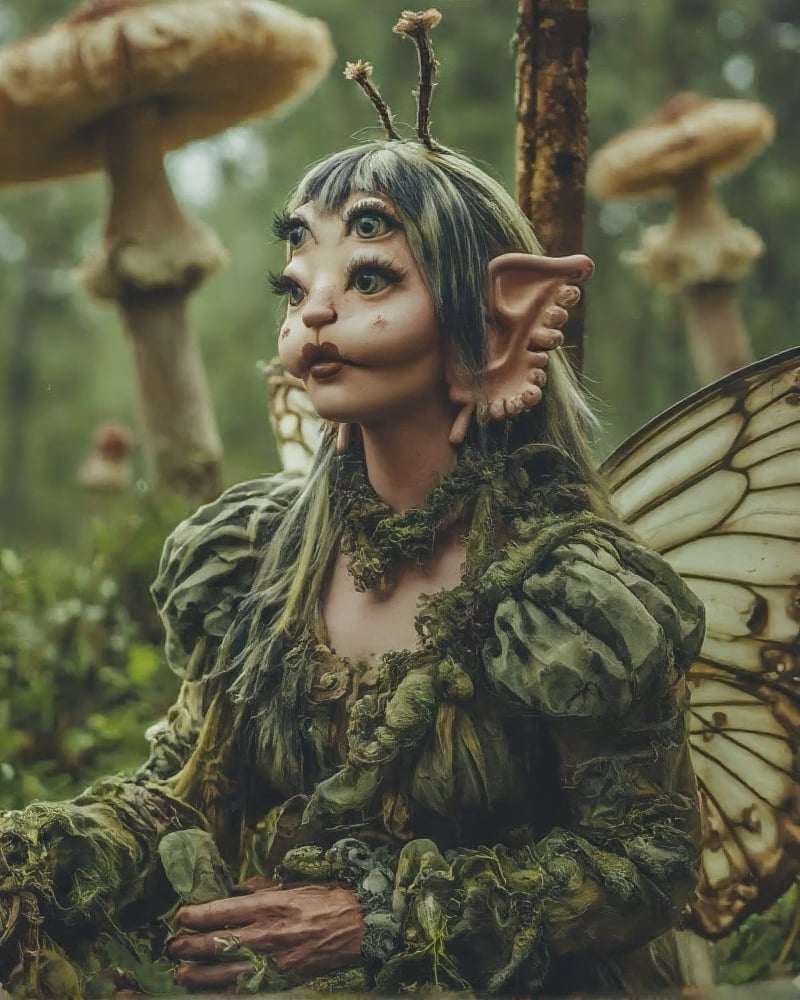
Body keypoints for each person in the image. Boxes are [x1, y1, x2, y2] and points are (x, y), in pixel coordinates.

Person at [0, 11, 707, 997]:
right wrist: (38, 857)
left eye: (369, 275)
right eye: (300, 283)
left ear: (491, 321)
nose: (314, 315)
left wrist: (379, 915)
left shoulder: (565, 588)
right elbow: (190, 795)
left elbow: (648, 860)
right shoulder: (256, 557)